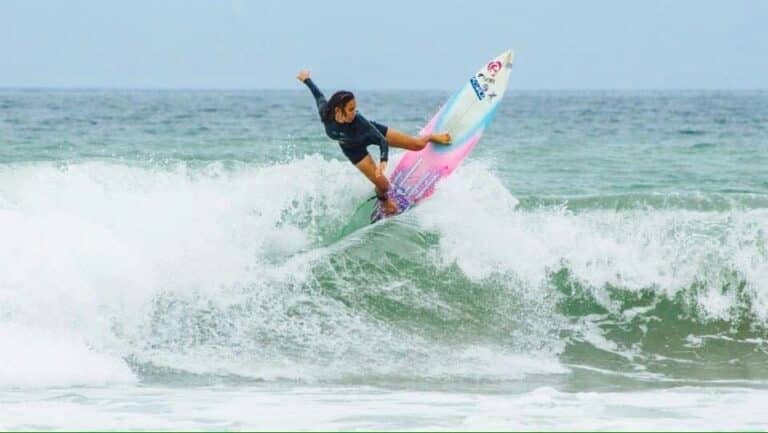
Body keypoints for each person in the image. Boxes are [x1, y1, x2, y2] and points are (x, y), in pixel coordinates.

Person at [296, 70, 450, 215]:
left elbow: (381, 140)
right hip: (353, 149)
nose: (355, 112)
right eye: (350, 109)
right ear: (338, 110)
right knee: (384, 185)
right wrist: (306, 79)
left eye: (355, 108)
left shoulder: (359, 121)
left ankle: (430, 137)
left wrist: (383, 161)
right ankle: (385, 202)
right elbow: (318, 95)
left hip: (371, 133)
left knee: (417, 146)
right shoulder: (326, 114)